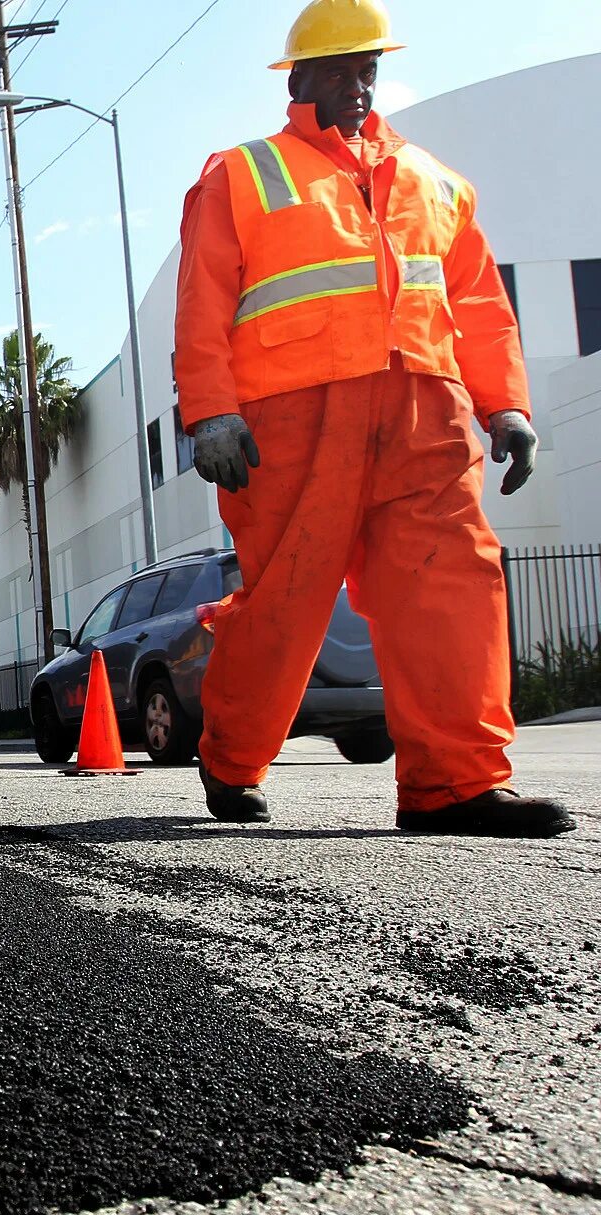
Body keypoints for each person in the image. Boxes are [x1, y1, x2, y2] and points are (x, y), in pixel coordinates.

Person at [173, 0, 573, 837]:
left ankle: (456, 784)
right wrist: (211, 412)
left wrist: (505, 405)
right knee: (285, 599)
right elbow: (204, 299)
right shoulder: (243, 175)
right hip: (291, 423)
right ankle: (232, 754)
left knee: (452, 587)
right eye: (338, 71)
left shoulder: (435, 182)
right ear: (301, 80)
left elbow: (480, 305)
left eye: (368, 70)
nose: (356, 87)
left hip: (425, 416)